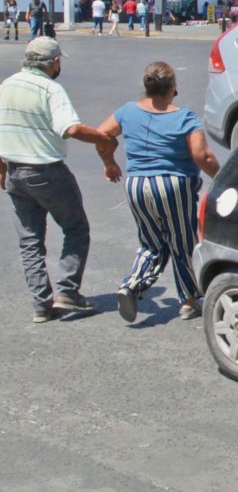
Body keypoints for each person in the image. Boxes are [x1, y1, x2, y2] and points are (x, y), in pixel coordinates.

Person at [0, 37, 117, 323]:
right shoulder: (51, 89)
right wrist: (103, 138)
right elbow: (71, 128)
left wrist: (2, 169)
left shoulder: (7, 85)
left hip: (15, 171)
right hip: (47, 171)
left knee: (30, 242)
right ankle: (67, 291)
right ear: (53, 62)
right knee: (76, 228)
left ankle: (41, 304)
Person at [95, 62, 220, 323]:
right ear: (173, 88)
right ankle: (188, 300)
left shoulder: (128, 111)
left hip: (138, 184)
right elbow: (202, 155)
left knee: (151, 241)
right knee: (181, 241)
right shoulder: (184, 116)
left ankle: (131, 285)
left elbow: (102, 134)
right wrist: (221, 179)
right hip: (173, 184)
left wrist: (109, 163)